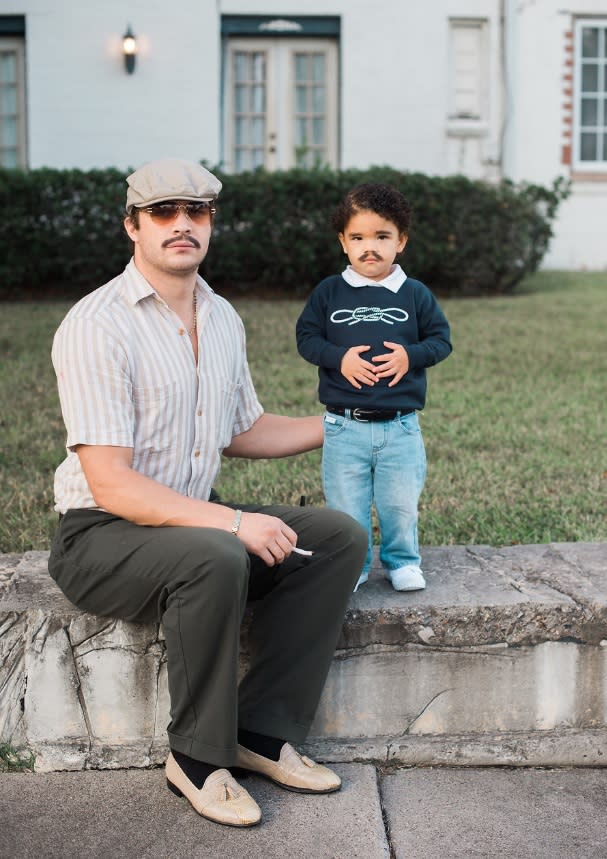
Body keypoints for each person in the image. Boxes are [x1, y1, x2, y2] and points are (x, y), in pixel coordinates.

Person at [48, 158, 367, 828]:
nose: (182, 224)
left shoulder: (220, 316)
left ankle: (260, 730)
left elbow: (242, 428)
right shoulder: (96, 324)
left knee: (336, 538)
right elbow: (110, 481)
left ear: (210, 223)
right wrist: (232, 521)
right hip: (100, 533)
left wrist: (345, 421)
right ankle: (194, 758)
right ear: (132, 225)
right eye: (163, 212)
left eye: (197, 211)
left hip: (187, 526)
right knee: (217, 553)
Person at [296, 183, 452, 593]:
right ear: (343, 242)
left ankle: (402, 560)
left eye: (382, 237)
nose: (370, 247)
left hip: (400, 426)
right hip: (344, 426)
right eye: (358, 238)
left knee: (399, 503)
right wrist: (339, 358)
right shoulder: (329, 292)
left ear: (400, 241)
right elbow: (307, 339)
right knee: (347, 505)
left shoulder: (414, 294)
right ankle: (354, 563)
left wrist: (410, 356)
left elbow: (441, 340)